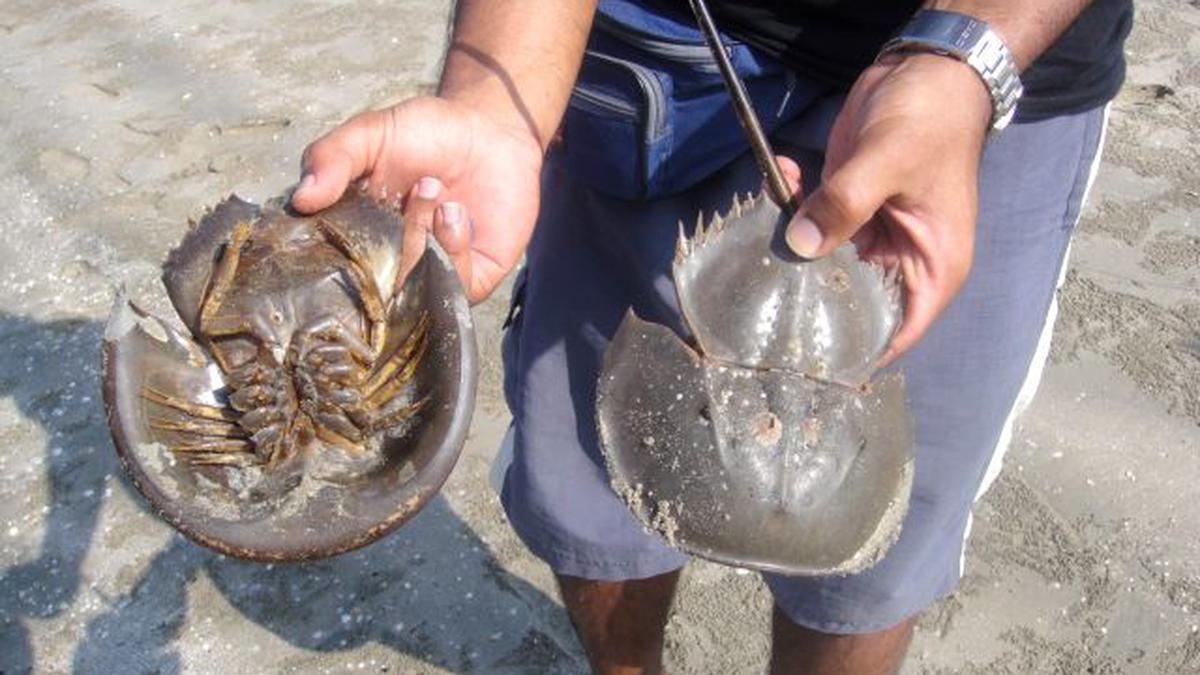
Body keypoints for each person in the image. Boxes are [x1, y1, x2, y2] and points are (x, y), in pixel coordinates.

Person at [291, 1, 1131, 672]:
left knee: (877, 552)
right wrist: (493, 104)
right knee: (588, 476)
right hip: (666, 47)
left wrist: (969, 54)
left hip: (1003, 72)